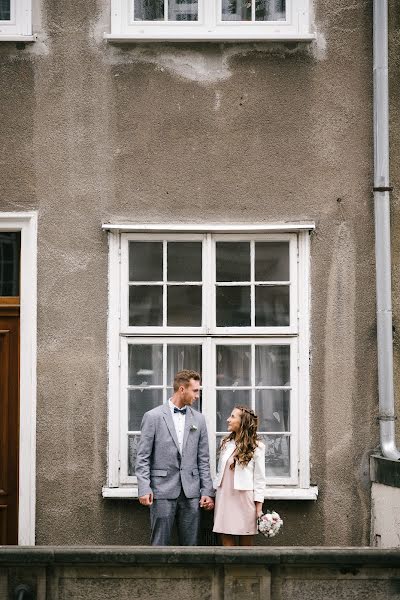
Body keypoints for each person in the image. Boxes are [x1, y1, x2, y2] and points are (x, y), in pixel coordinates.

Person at [135, 369, 215, 546]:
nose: (197, 395)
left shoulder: (199, 420)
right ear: (181, 389)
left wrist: (207, 491)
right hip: (161, 490)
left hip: (191, 492)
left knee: (191, 545)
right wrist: (143, 487)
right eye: (195, 391)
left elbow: (203, 459)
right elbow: (142, 457)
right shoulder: (153, 417)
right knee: (159, 544)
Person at [213, 406, 266, 546]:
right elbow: (220, 472)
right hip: (224, 496)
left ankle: (245, 568)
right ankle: (229, 567)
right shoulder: (225, 443)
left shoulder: (257, 447)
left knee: (246, 545)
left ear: (243, 422)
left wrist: (259, 508)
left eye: (232, 416)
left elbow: (260, 479)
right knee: (226, 538)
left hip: (244, 498)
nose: (228, 419)